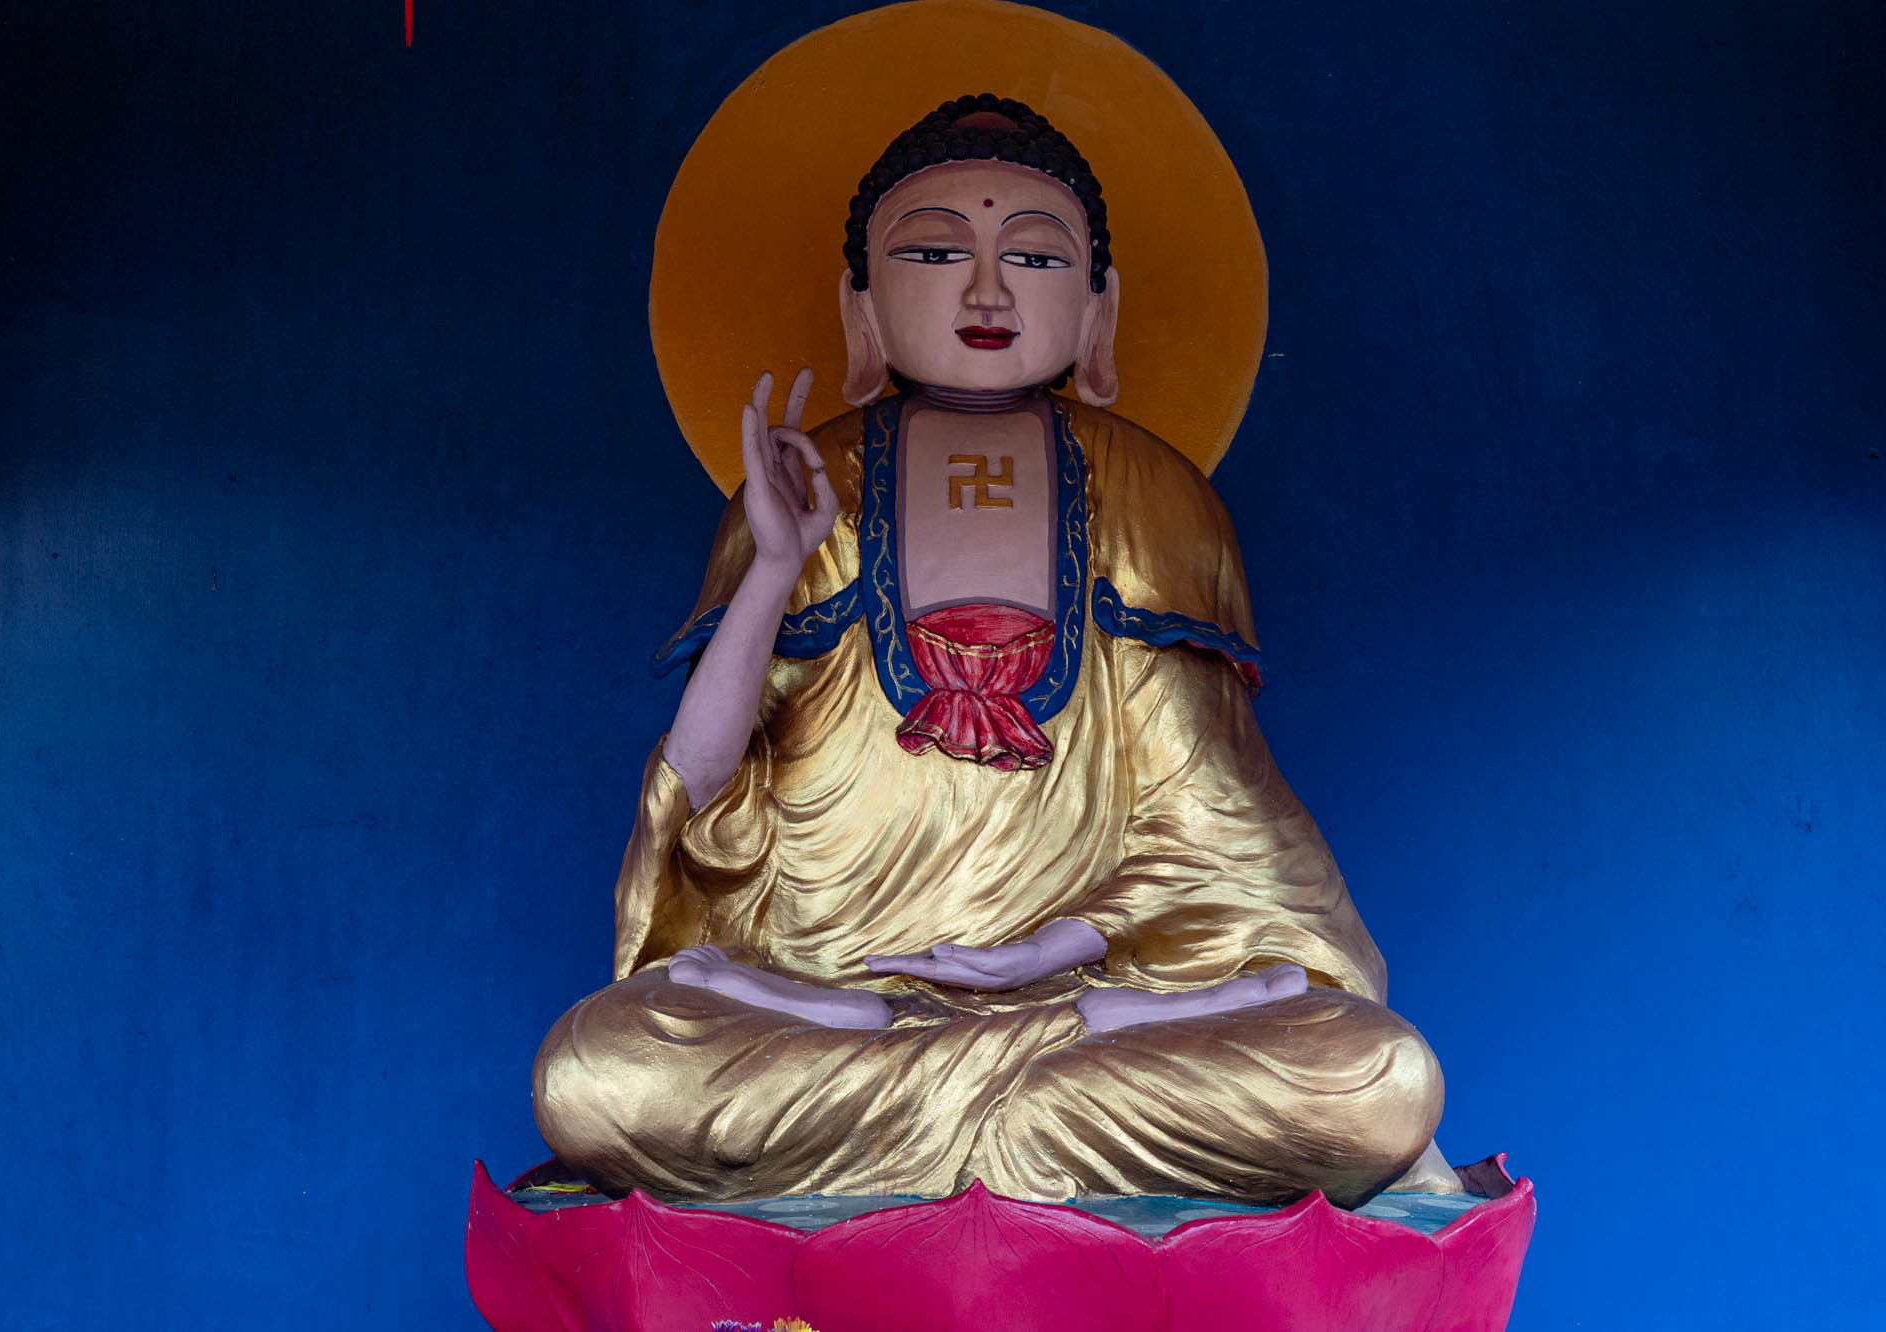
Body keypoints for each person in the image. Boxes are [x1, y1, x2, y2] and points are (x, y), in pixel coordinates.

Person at [533, 94, 1450, 1208]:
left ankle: (945, 1107)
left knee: (1374, 1076)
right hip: (837, 984)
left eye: (1033, 257)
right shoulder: (802, 484)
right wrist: (774, 565)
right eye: (932, 252)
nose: (985, 292)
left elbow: (1211, 818)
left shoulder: (1158, 502)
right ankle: (1002, 1119)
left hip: (1056, 999)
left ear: (1098, 308)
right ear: (861, 306)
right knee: (598, 1073)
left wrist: (1053, 953)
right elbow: (707, 791)